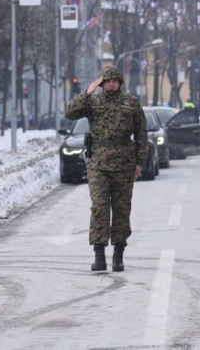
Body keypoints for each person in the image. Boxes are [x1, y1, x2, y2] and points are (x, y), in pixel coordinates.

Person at [64, 64, 147, 272]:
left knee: (121, 209)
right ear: (101, 83)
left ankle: (118, 254)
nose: (111, 83)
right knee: (99, 207)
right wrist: (88, 91)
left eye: (114, 80)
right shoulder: (92, 102)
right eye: (107, 80)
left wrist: (139, 163)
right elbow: (70, 113)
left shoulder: (131, 103)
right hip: (98, 163)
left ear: (120, 82)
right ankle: (99, 253)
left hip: (124, 164)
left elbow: (142, 135)